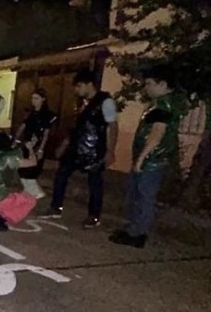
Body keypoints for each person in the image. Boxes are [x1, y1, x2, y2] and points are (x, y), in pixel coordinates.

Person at [110, 65, 182, 249]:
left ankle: (137, 233)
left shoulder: (164, 105)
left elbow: (157, 133)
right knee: (136, 194)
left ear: (163, 84)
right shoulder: (160, 103)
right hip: (149, 160)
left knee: (144, 196)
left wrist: (142, 158)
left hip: (152, 161)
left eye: (149, 83)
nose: (146, 87)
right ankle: (132, 228)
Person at [44, 70, 118, 228]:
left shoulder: (105, 102)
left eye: (79, 86)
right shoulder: (83, 103)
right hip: (76, 148)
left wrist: (110, 151)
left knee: (95, 183)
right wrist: (64, 145)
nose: (76, 90)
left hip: (94, 149)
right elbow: (77, 128)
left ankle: (94, 215)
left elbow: (112, 126)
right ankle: (56, 207)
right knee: (61, 174)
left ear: (90, 85)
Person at [13, 88, 57, 199]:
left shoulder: (47, 115)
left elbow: (46, 133)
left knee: (32, 169)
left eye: (36, 98)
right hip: (27, 143)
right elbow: (23, 127)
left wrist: (41, 148)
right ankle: (31, 191)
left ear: (43, 99)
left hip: (37, 144)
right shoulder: (30, 114)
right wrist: (15, 140)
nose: (33, 101)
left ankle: (34, 192)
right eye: (32, 98)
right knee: (22, 168)